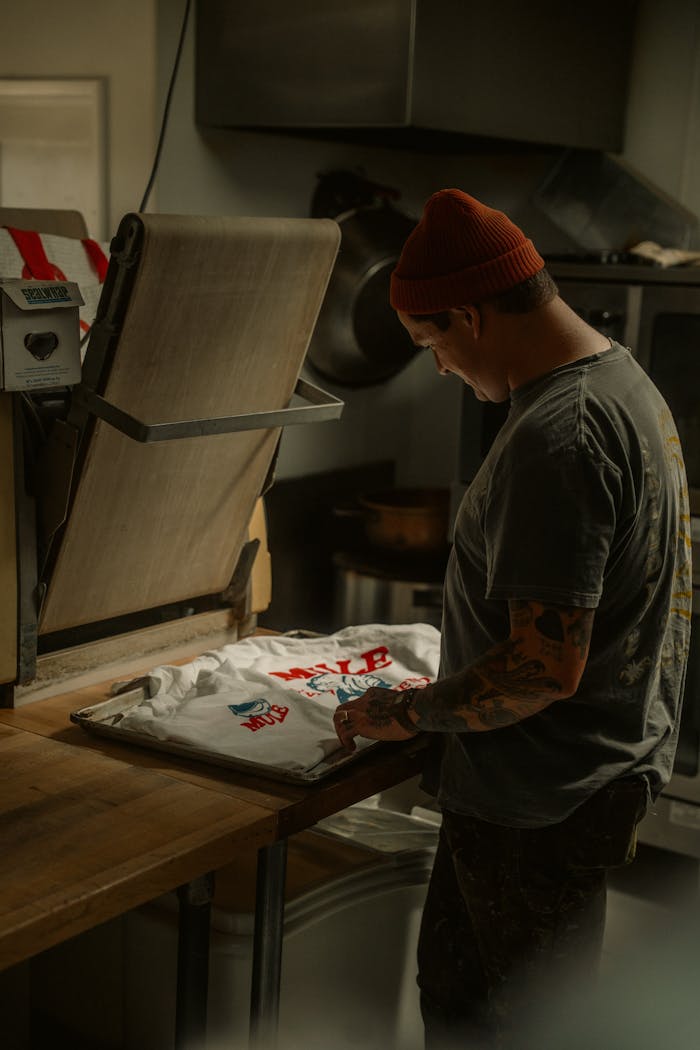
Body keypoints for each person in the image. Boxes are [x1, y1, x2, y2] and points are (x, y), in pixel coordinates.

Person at [332, 189, 692, 1048]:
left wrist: (408, 710)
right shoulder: (619, 377)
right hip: (568, 787)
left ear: (468, 314)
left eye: (433, 344)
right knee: (466, 1008)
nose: (441, 369)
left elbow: (542, 668)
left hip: (540, 804)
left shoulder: (558, 436)